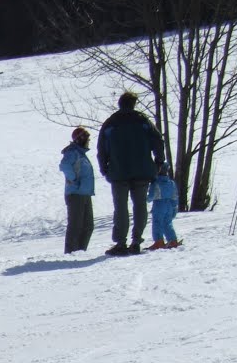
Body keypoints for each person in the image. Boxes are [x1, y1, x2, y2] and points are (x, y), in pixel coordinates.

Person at [97, 91, 165, 256]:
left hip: (118, 171)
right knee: (140, 206)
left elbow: (101, 147)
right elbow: (158, 141)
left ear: (120, 103)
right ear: (133, 103)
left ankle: (121, 242)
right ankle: (136, 241)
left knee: (120, 208)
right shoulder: (142, 120)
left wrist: (104, 167)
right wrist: (159, 162)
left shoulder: (111, 123)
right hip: (142, 170)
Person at [60, 126, 96, 255]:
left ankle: (80, 252)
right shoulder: (73, 152)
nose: (88, 141)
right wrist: (73, 178)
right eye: (86, 138)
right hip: (75, 193)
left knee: (88, 226)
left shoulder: (80, 154)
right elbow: (64, 165)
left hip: (84, 193)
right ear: (80, 139)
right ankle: (71, 253)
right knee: (76, 225)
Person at [148, 163, 180, 249]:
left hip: (159, 205)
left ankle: (159, 241)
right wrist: (174, 207)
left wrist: (146, 199)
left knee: (157, 223)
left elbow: (151, 196)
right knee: (168, 223)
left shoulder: (156, 183)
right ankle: (173, 240)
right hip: (169, 206)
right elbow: (175, 196)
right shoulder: (172, 183)